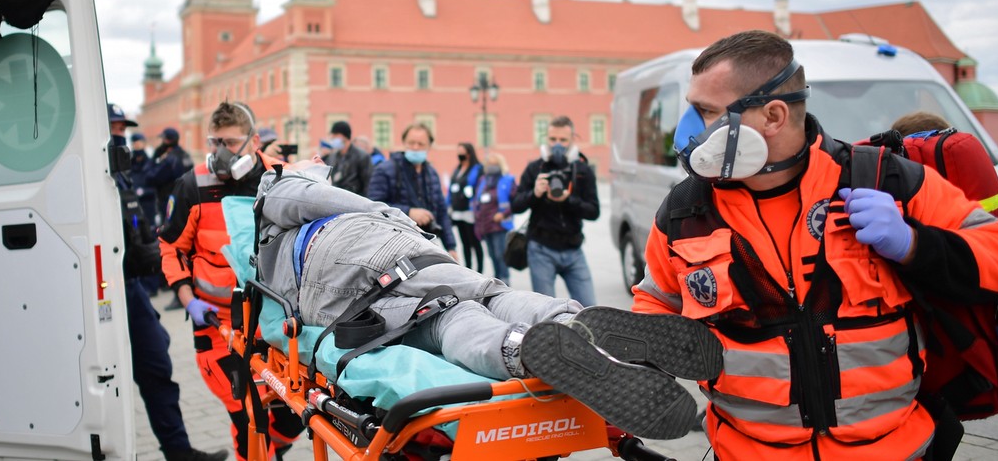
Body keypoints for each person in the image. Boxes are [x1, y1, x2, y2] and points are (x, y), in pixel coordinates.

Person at [633, 29, 998, 459]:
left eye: (707, 111)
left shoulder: (888, 180)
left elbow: (993, 252)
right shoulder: (684, 212)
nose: (689, 129)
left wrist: (914, 245)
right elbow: (655, 304)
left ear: (772, 117)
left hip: (892, 450)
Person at [254, 160, 723, 441]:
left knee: (443, 322)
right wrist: (401, 224)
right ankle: (573, 320)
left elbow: (291, 303)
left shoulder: (273, 209)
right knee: (491, 293)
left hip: (347, 265)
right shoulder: (284, 181)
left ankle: (520, 349)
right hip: (399, 245)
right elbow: (334, 199)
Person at [159, 102, 303, 461]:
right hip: (217, 327)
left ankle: (270, 450)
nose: (221, 152)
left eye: (231, 142)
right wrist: (187, 296)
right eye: (214, 142)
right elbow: (171, 247)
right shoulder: (193, 185)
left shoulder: (281, 180)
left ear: (254, 141)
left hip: (273, 326)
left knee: (296, 415)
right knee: (249, 416)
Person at [108, 104, 228, 461]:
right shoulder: (89, 174)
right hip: (101, 289)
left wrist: (159, 250)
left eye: (121, 130)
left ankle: (178, 452)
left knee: (157, 364)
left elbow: (138, 229)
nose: (119, 136)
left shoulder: (121, 173)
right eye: (113, 129)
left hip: (131, 287)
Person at [511, 116, 599, 306]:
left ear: (572, 140)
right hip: (541, 249)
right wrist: (534, 193)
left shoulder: (582, 170)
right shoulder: (535, 168)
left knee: (590, 309)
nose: (557, 145)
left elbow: (594, 211)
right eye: (553, 139)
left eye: (563, 140)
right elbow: (515, 206)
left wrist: (568, 199)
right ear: (546, 139)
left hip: (574, 249)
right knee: (547, 312)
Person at [366, 122, 458, 259]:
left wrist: (451, 247)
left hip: (427, 243)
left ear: (428, 147)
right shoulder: (385, 169)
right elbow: (374, 206)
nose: (415, 147)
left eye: (420, 144)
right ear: (404, 143)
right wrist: (409, 212)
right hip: (395, 244)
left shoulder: (432, 173)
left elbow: (441, 211)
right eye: (411, 143)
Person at [472, 150, 515, 285]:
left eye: (494, 164)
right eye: (489, 164)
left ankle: (506, 283)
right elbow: (477, 200)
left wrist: (503, 214)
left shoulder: (508, 180)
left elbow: (516, 202)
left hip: (500, 226)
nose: (491, 166)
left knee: (501, 256)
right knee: (492, 256)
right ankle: (498, 282)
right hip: (485, 225)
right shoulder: (483, 180)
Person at [447, 142, 483, 272]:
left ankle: (480, 270)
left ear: (469, 153)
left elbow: (479, 187)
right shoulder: (457, 169)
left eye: (462, 152)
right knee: (465, 243)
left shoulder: (478, 168)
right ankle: (468, 269)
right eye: (458, 152)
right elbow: (451, 188)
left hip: (470, 211)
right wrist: (448, 205)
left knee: (475, 242)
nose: (459, 155)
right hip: (458, 211)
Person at [146, 126, 195, 221]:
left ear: (168, 141)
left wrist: (154, 158)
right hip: (186, 200)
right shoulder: (185, 155)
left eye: (163, 139)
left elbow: (150, 177)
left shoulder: (170, 160)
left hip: (169, 202)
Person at [325, 121, 373, 196]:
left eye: (335, 135)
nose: (332, 138)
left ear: (343, 136)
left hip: (355, 201)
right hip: (335, 201)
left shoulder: (362, 156)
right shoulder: (332, 157)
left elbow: (368, 184)